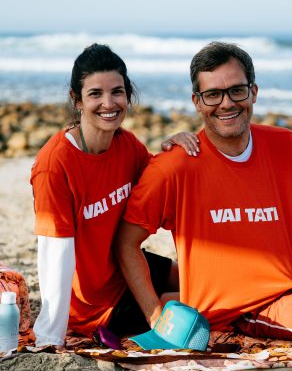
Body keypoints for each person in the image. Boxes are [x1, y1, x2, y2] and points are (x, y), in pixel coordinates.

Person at [116, 42, 292, 347]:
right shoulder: (173, 166)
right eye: (213, 94)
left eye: (237, 90)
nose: (226, 103)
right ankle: (192, 296)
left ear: (253, 92)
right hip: (253, 302)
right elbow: (127, 242)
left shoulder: (288, 146)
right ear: (197, 102)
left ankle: (188, 294)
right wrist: (155, 315)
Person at [30, 43, 199, 348]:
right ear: (76, 100)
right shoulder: (55, 165)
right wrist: (50, 337)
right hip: (97, 306)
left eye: (117, 92)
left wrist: (172, 149)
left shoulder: (127, 145)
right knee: (210, 297)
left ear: (128, 94)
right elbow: (55, 255)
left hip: (128, 268)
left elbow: (163, 189)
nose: (109, 103)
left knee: (207, 275)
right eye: (95, 93)